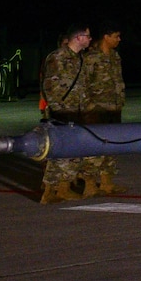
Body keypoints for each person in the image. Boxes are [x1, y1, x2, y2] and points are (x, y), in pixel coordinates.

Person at [38, 24, 92, 204]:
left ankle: (61, 188)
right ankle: (52, 189)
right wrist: (58, 109)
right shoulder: (57, 57)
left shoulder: (79, 59)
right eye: (87, 36)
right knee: (59, 149)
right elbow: (49, 86)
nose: (90, 39)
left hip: (77, 111)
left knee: (70, 151)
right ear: (78, 37)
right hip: (62, 112)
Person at [80, 21, 127, 197]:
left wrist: (120, 101)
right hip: (96, 110)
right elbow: (83, 84)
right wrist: (90, 107)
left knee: (112, 146)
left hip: (113, 108)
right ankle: (90, 185)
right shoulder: (90, 57)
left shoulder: (115, 56)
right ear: (106, 37)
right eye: (116, 36)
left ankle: (107, 183)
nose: (119, 39)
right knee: (93, 147)